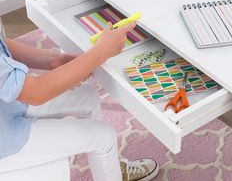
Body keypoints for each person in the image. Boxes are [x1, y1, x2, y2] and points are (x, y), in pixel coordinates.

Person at [0, 18, 159, 181]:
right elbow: (34, 92)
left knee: (87, 95)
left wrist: (54, 60)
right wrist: (102, 51)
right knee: (105, 136)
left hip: (8, 107)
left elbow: (2, 44)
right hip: (5, 141)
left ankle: (111, 168)